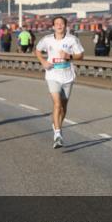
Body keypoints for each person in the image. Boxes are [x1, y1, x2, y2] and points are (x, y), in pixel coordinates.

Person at [35, 16, 85, 148]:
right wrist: (43, 62)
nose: (59, 26)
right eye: (56, 24)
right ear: (53, 26)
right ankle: (57, 134)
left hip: (67, 76)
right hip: (52, 75)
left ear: (65, 26)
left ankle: (57, 125)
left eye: (61, 23)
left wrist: (69, 56)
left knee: (64, 106)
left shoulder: (72, 39)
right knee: (57, 104)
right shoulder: (47, 40)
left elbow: (81, 55)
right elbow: (38, 50)